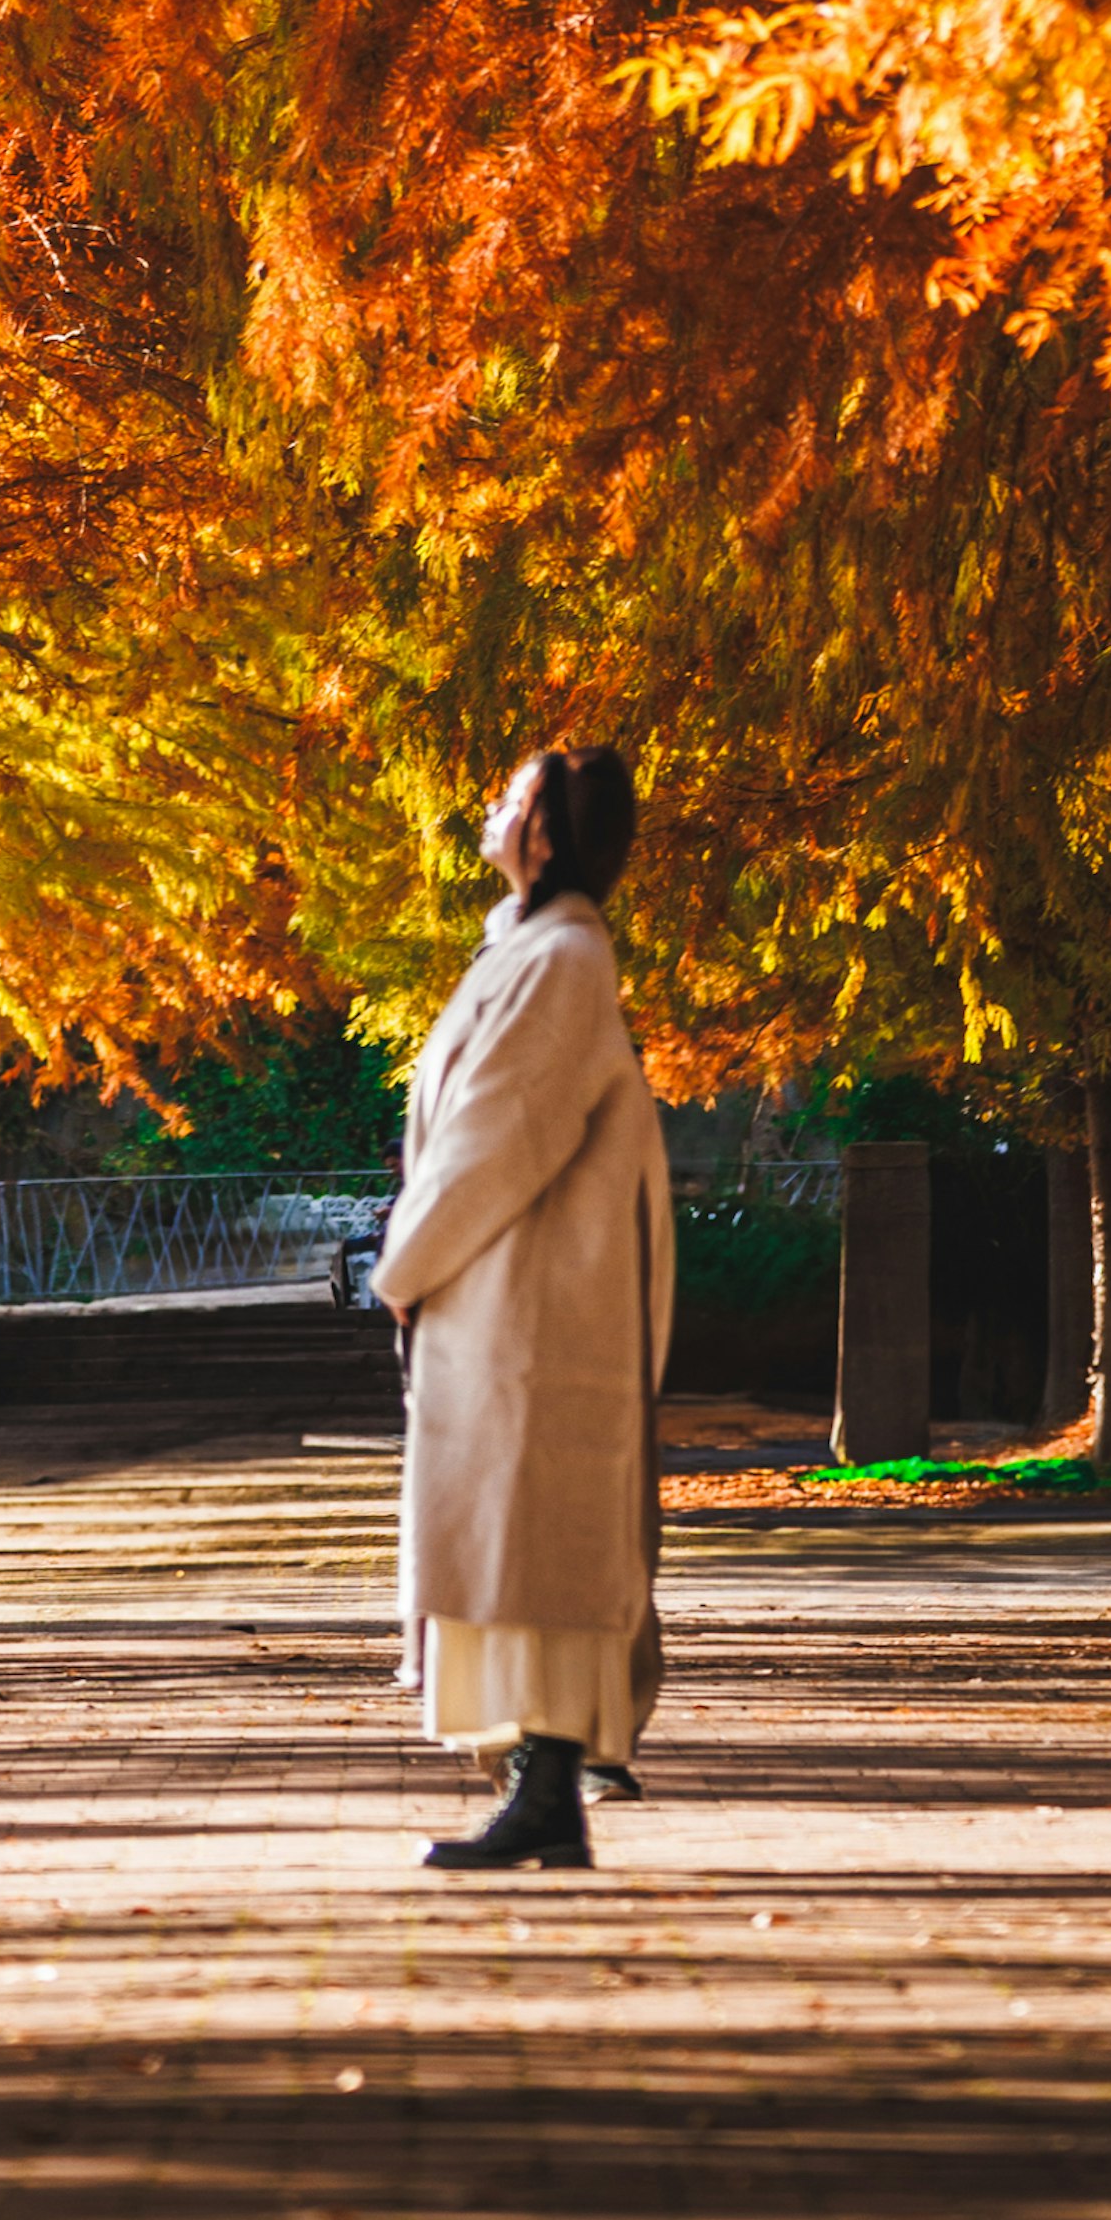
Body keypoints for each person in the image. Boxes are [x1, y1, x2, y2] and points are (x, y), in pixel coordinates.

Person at [372, 740, 673, 1877]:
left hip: (532, 1308)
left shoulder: (560, 961)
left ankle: (546, 1789)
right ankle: (538, 1788)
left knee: (537, 1547)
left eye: (509, 798)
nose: (489, 813)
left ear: (544, 834)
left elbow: (495, 1135)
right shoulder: (536, 951)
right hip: (505, 1299)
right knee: (515, 1545)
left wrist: (401, 1268)